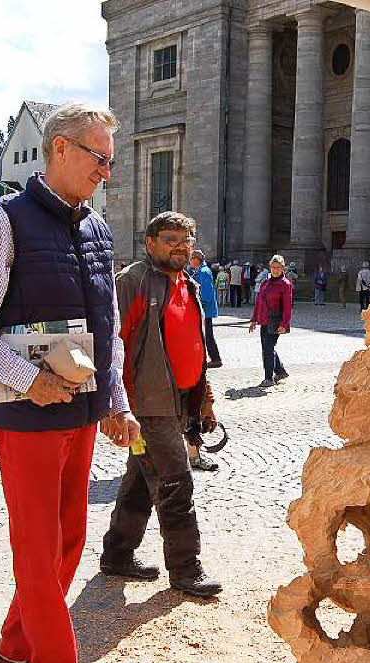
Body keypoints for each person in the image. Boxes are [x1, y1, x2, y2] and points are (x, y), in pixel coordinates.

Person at [0, 103, 137, 663]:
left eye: (111, 160)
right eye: (98, 157)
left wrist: (115, 400)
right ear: (58, 149)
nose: (106, 172)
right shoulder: (5, 222)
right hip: (25, 419)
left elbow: (107, 329)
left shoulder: (98, 229)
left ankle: (14, 648)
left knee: (71, 538)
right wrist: (27, 379)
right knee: (37, 542)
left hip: (79, 412)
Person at [100, 210, 223, 598]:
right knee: (175, 480)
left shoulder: (188, 283)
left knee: (141, 475)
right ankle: (186, 568)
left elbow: (194, 346)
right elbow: (108, 344)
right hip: (147, 406)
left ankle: (118, 554)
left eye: (186, 241)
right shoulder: (132, 282)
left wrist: (203, 398)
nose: (181, 248)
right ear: (150, 243)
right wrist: (115, 405)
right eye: (171, 240)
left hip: (180, 401)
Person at [249, 255, 293, 387]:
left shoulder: (285, 284)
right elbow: (258, 302)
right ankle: (280, 371)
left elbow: (287, 307)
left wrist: (284, 324)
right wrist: (254, 319)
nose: (276, 270)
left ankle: (268, 378)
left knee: (267, 348)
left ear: (283, 268)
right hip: (264, 320)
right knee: (268, 347)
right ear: (270, 267)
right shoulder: (265, 283)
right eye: (274, 267)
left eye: (279, 267)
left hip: (276, 320)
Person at [190, 250, 222, 369]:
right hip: (203, 309)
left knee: (208, 335)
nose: (190, 261)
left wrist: (200, 306)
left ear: (197, 259)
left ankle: (215, 358)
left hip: (205, 310)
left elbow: (206, 293)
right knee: (205, 335)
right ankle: (211, 358)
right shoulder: (199, 271)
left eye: (191, 259)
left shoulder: (204, 272)